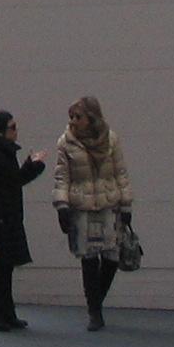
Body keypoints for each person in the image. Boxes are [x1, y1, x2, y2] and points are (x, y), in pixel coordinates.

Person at [53, 95, 134, 332]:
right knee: (88, 258)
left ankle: (96, 299)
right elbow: (62, 176)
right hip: (82, 205)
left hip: (109, 203)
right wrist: (62, 205)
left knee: (111, 256)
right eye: (71, 116)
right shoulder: (66, 142)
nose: (73, 121)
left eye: (78, 117)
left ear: (91, 118)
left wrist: (126, 205)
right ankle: (94, 310)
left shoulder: (111, 140)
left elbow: (121, 173)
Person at [0, 110, 48, 332]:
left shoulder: (3, 153)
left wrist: (31, 166)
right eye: (12, 127)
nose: (16, 131)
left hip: (4, 220)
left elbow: (12, 182)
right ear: (0, 131)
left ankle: (6, 313)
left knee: (5, 270)